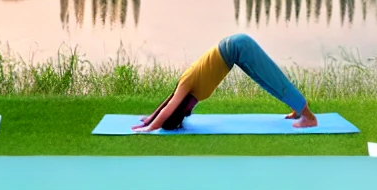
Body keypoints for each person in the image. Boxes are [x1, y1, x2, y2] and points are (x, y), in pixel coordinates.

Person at [133, 33, 316, 132]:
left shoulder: (186, 84)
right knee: (266, 82)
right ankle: (297, 108)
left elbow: (169, 106)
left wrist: (150, 127)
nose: (190, 111)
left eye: (185, 112)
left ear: (182, 108)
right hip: (236, 53)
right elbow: (169, 101)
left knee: (273, 78)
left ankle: (309, 117)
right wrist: (149, 118)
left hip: (238, 46)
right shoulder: (189, 93)